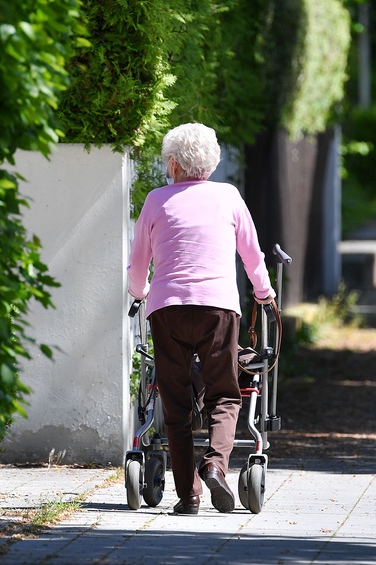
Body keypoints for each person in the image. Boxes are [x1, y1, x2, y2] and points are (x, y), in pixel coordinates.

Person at [127, 123, 276, 515]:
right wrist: (264, 292)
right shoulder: (229, 196)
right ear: (211, 162)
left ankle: (188, 496)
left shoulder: (156, 200)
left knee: (174, 403)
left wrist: (139, 292)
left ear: (174, 163)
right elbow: (252, 253)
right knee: (225, 393)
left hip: (167, 309)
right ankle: (215, 466)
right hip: (218, 309)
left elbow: (138, 265)